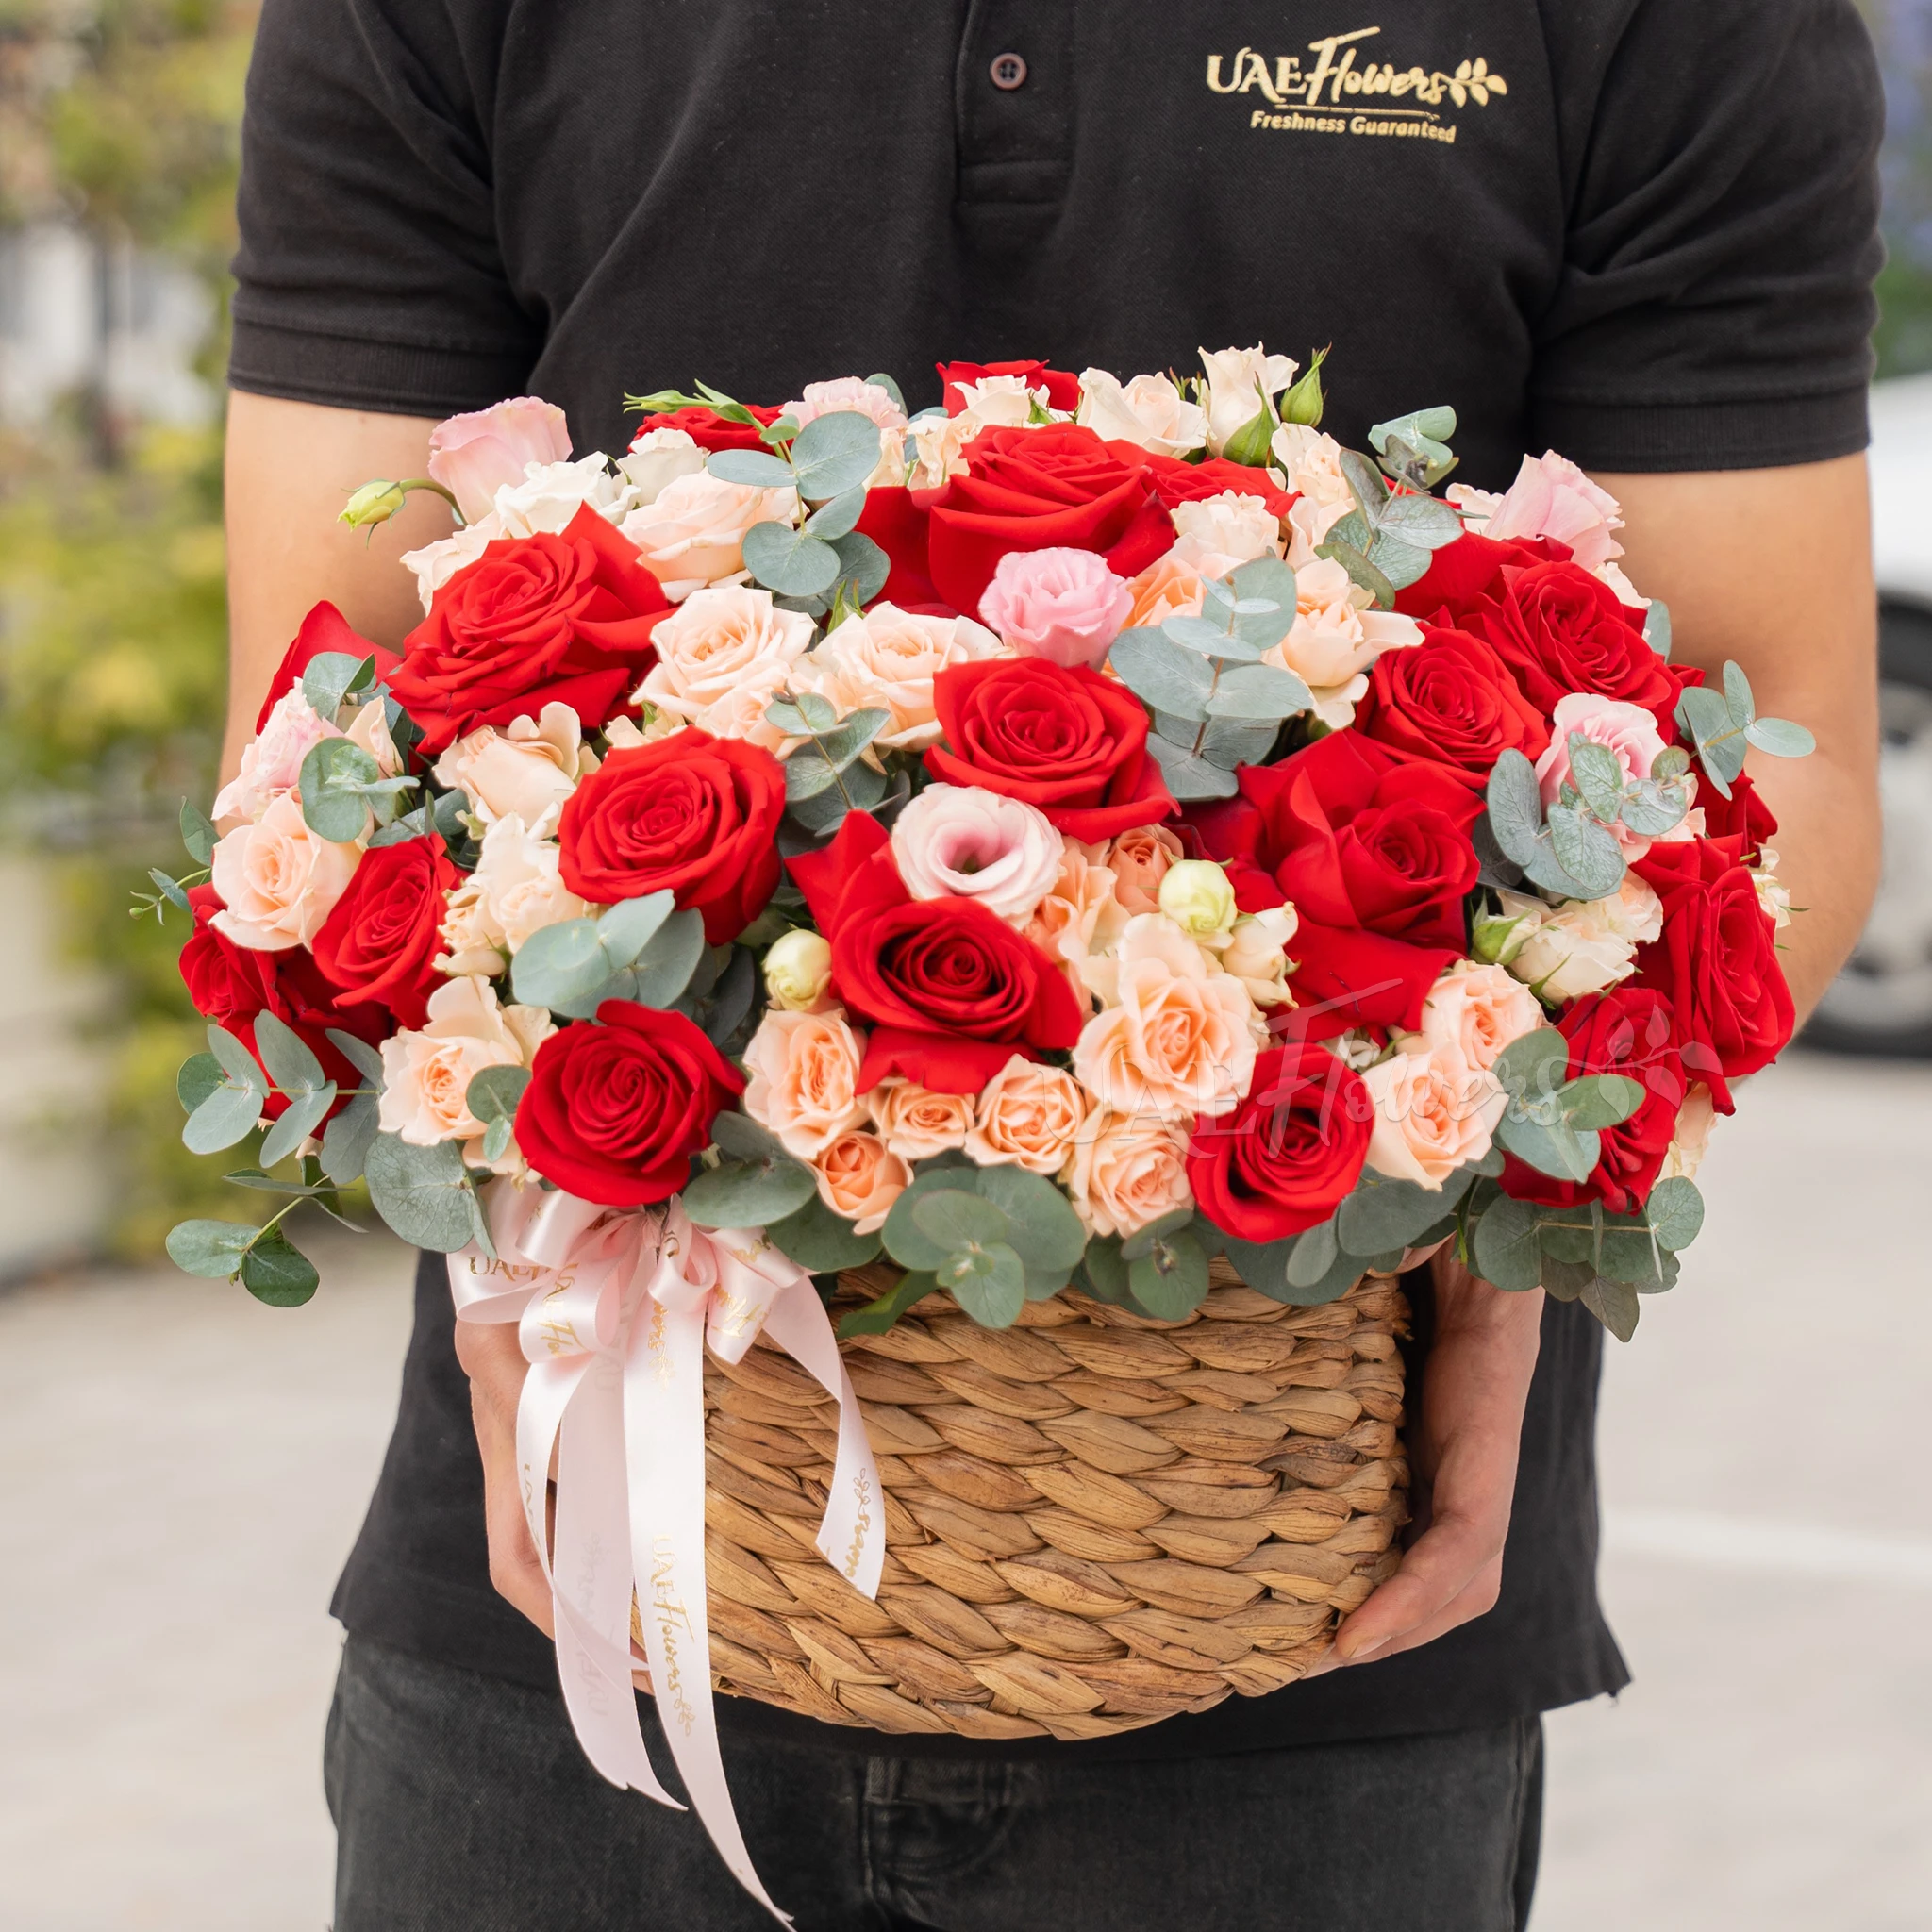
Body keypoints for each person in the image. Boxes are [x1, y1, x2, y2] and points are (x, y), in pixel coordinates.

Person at [220, 4, 1884, 1926]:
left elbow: (1786, 752)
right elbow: (320, 727)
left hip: (1310, 1621)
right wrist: (510, 1217)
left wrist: (1525, 1188)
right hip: (587, 1619)